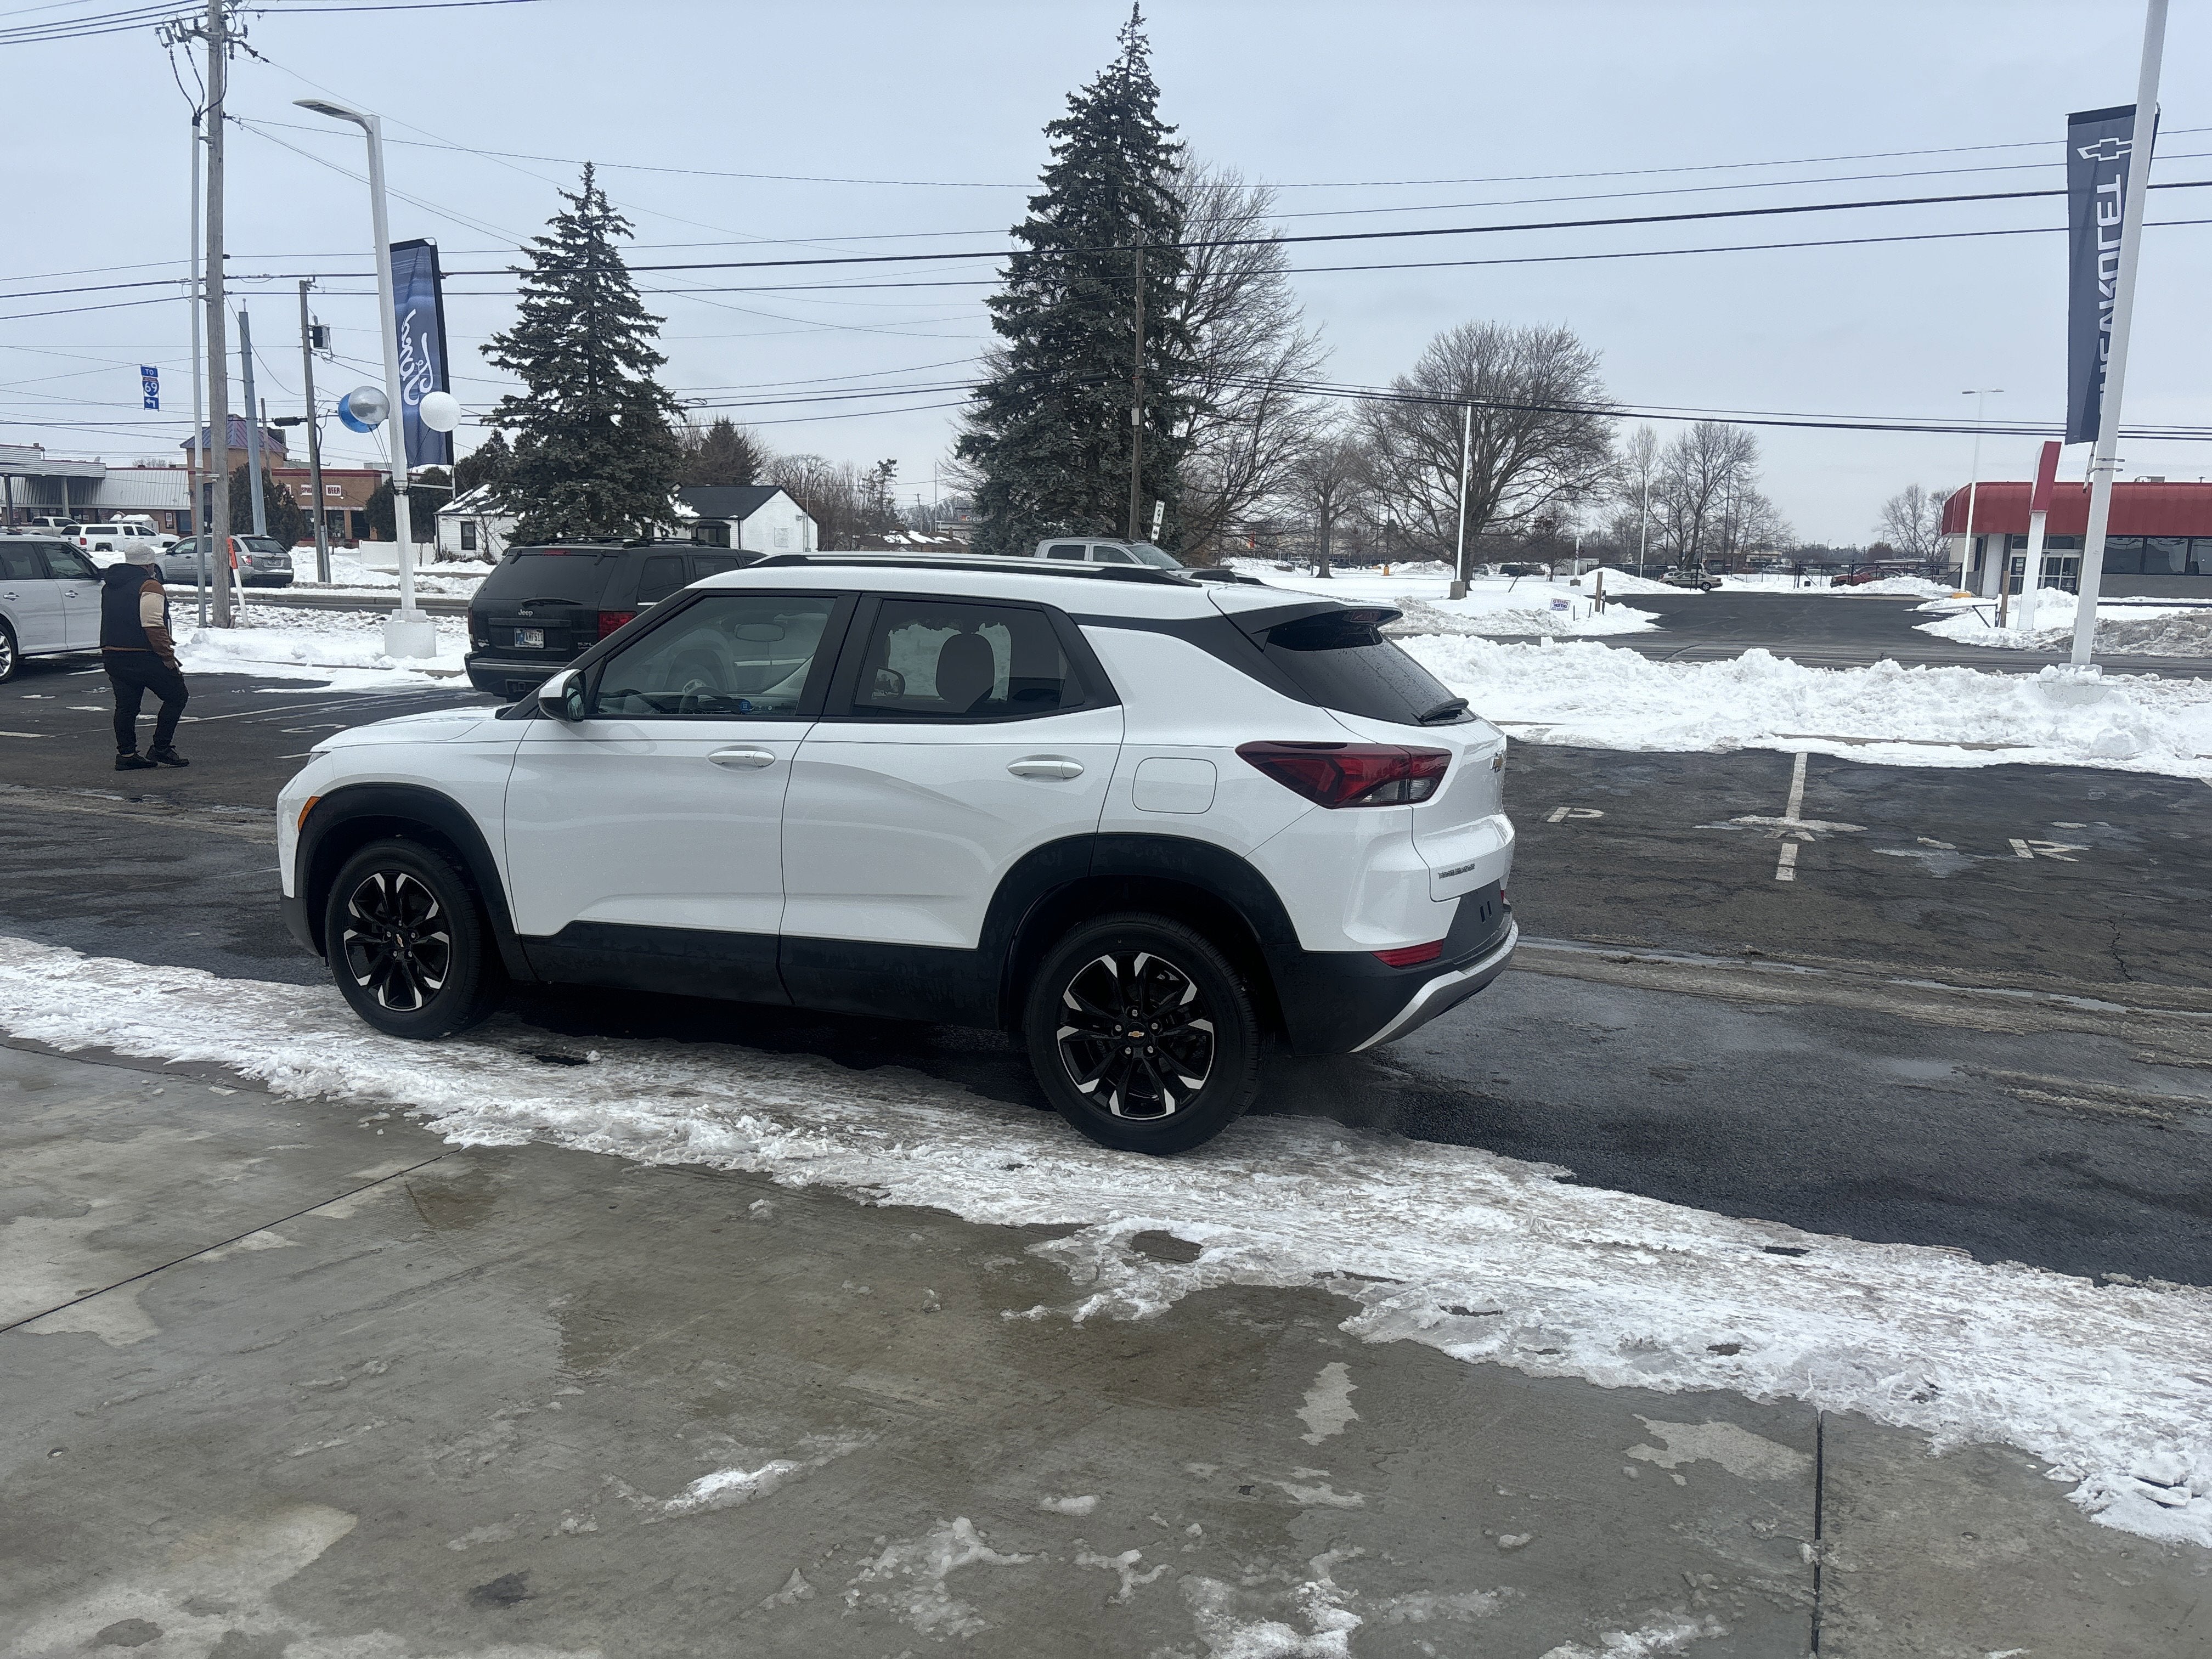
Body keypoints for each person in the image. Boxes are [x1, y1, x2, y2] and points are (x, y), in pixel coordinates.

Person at [101, 543, 189, 770]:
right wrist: (167, 654)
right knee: (177, 696)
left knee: (126, 707)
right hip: (144, 655)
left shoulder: (109, 586)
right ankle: (161, 747)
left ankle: (127, 755)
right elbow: (152, 624)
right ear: (149, 564)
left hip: (113, 654)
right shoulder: (150, 585)